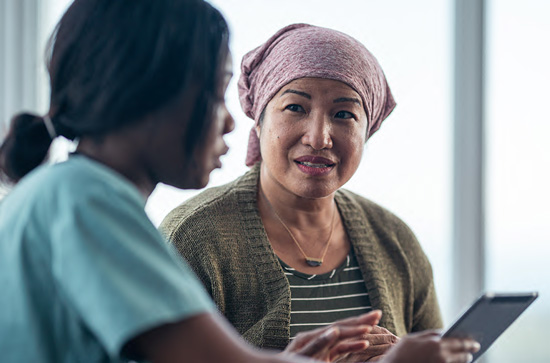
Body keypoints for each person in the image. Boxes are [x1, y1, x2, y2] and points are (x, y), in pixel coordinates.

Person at [0, 1, 479, 362]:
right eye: (213, 92)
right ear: (146, 95)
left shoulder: (68, 195)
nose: (230, 122)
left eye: (344, 114)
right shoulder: (85, 202)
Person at [161, 23, 443, 362]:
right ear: (259, 119)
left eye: (344, 114)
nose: (319, 137)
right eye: (296, 107)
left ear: (367, 132)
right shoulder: (193, 237)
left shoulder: (394, 240)